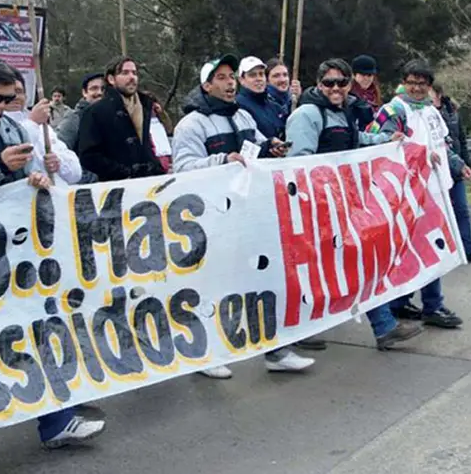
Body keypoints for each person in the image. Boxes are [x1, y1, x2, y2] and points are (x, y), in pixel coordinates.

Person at [0, 58, 106, 448]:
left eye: (9, 98)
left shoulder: (12, 126)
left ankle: (55, 421)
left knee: (32, 325)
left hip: (12, 249)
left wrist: (37, 176)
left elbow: (28, 171)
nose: (1, 105)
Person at [172, 54, 315, 378]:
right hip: (209, 220)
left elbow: (257, 146)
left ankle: (274, 350)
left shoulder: (242, 116)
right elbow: (181, 168)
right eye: (221, 78)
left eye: (230, 77)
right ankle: (204, 355)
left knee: (260, 280)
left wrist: (272, 147)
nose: (229, 83)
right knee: (212, 286)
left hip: (247, 215)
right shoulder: (191, 125)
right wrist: (222, 160)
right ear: (206, 85)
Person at [285, 58, 423, 349]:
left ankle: (384, 326)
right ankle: (299, 330)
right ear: (319, 84)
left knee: (361, 260)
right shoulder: (307, 115)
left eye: (341, 83)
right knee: (315, 268)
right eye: (329, 83)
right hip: (317, 209)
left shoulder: (344, 111)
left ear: (349, 84)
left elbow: (354, 140)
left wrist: (385, 140)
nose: (335, 88)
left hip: (344, 203)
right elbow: (298, 163)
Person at [367, 59, 463, 329]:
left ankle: (406, 301)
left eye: (422, 84)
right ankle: (431, 304)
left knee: (428, 247)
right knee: (421, 248)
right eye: (412, 83)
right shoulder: (394, 109)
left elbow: (443, 144)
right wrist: (415, 155)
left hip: (435, 188)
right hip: (407, 191)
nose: (417, 88)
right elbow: (382, 144)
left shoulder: (431, 111)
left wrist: (458, 165)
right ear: (404, 82)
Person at [78, 57, 166, 182]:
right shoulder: (95, 112)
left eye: (134, 73)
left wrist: (158, 170)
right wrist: (123, 172)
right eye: (125, 73)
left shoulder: (146, 105)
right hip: (117, 187)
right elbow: (89, 156)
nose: (132, 77)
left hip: (149, 183)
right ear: (111, 79)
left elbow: (147, 147)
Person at [429, 83, 471, 265]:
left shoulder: (452, 112)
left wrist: (467, 165)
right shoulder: (424, 114)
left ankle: (467, 248)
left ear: (438, 94)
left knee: (461, 210)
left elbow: (460, 139)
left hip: (454, 169)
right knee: (437, 213)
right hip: (435, 170)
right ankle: (440, 250)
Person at [4, 68, 82, 185]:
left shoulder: (43, 126)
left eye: (19, 91)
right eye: (9, 92)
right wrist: (33, 122)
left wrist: (59, 163)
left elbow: (76, 173)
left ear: (26, 95)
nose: (15, 96)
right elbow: (14, 153)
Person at [236, 56, 287, 141]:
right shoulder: (237, 106)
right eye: (252, 75)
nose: (258, 79)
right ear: (241, 80)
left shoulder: (274, 106)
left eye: (261, 74)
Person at [57, 72, 104, 151]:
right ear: (84, 92)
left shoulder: (113, 117)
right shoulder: (75, 118)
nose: (99, 92)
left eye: (103, 89)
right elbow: (60, 150)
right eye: (94, 88)